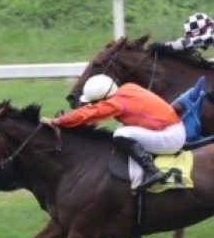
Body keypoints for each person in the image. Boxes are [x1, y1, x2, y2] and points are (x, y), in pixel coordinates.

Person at [41, 74, 186, 188]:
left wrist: (57, 121)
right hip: (172, 128)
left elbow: (89, 113)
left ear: (103, 98)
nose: (93, 105)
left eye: (94, 102)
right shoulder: (128, 88)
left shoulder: (116, 103)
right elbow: (94, 113)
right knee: (122, 128)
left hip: (170, 137)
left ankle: (152, 171)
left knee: (121, 134)